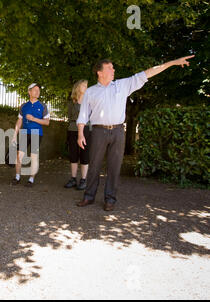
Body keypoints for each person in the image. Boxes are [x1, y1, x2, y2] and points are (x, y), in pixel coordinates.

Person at [76, 55, 195, 211]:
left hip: (118, 131)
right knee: (94, 166)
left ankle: (110, 199)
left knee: (114, 167)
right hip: (98, 131)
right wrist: (80, 134)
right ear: (100, 72)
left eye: (113, 67)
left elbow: (147, 73)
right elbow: (83, 115)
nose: (114, 70)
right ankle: (88, 197)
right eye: (110, 68)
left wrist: (172, 63)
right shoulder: (90, 92)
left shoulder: (122, 85)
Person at [11, 83, 50, 187]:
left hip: (36, 133)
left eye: (38, 90)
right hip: (24, 133)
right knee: (19, 156)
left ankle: (31, 179)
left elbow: (47, 122)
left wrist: (33, 119)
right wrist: (15, 134)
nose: (37, 92)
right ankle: (17, 177)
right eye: (35, 90)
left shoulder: (43, 106)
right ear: (29, 92)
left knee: (34, 157)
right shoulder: (24, 106)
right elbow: (19, 121)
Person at [64, 80, 90, 190]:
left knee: (85, 155)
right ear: (78, 87)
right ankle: (73, 179)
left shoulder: (90, 101)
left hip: (87, 129)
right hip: (73, 129)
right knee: (73, 154)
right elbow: (70, 117)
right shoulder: (71, 103)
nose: (86, 87)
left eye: (86, 86)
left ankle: (83, 180)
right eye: (84, 85)